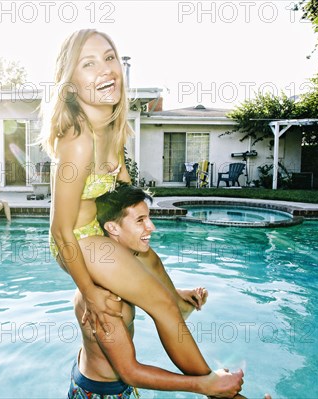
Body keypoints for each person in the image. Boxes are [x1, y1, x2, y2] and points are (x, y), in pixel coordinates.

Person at [39, 29, 243, 389]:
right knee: (159, 307)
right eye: (88, 63)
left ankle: (174, 304)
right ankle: (214, 388)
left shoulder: (110, 132)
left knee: (151, 260)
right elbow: (59, 230)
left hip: (97, 232)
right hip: (77, 240)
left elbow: (121, 197)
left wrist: (145, 252)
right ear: (69, 86)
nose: (105, 69)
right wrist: (89, 292)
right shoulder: (78, 140)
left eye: (110, 57)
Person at [66, 183, 271, 398]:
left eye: (148, 217)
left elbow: (155, 290)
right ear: (113, 228)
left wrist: (176, 294)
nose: (151, 227)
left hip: (114, 385)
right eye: (140, 220)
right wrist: (205, 385)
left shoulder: (133, 262)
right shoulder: (103, 298)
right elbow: (130, 372)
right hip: (100, 393)